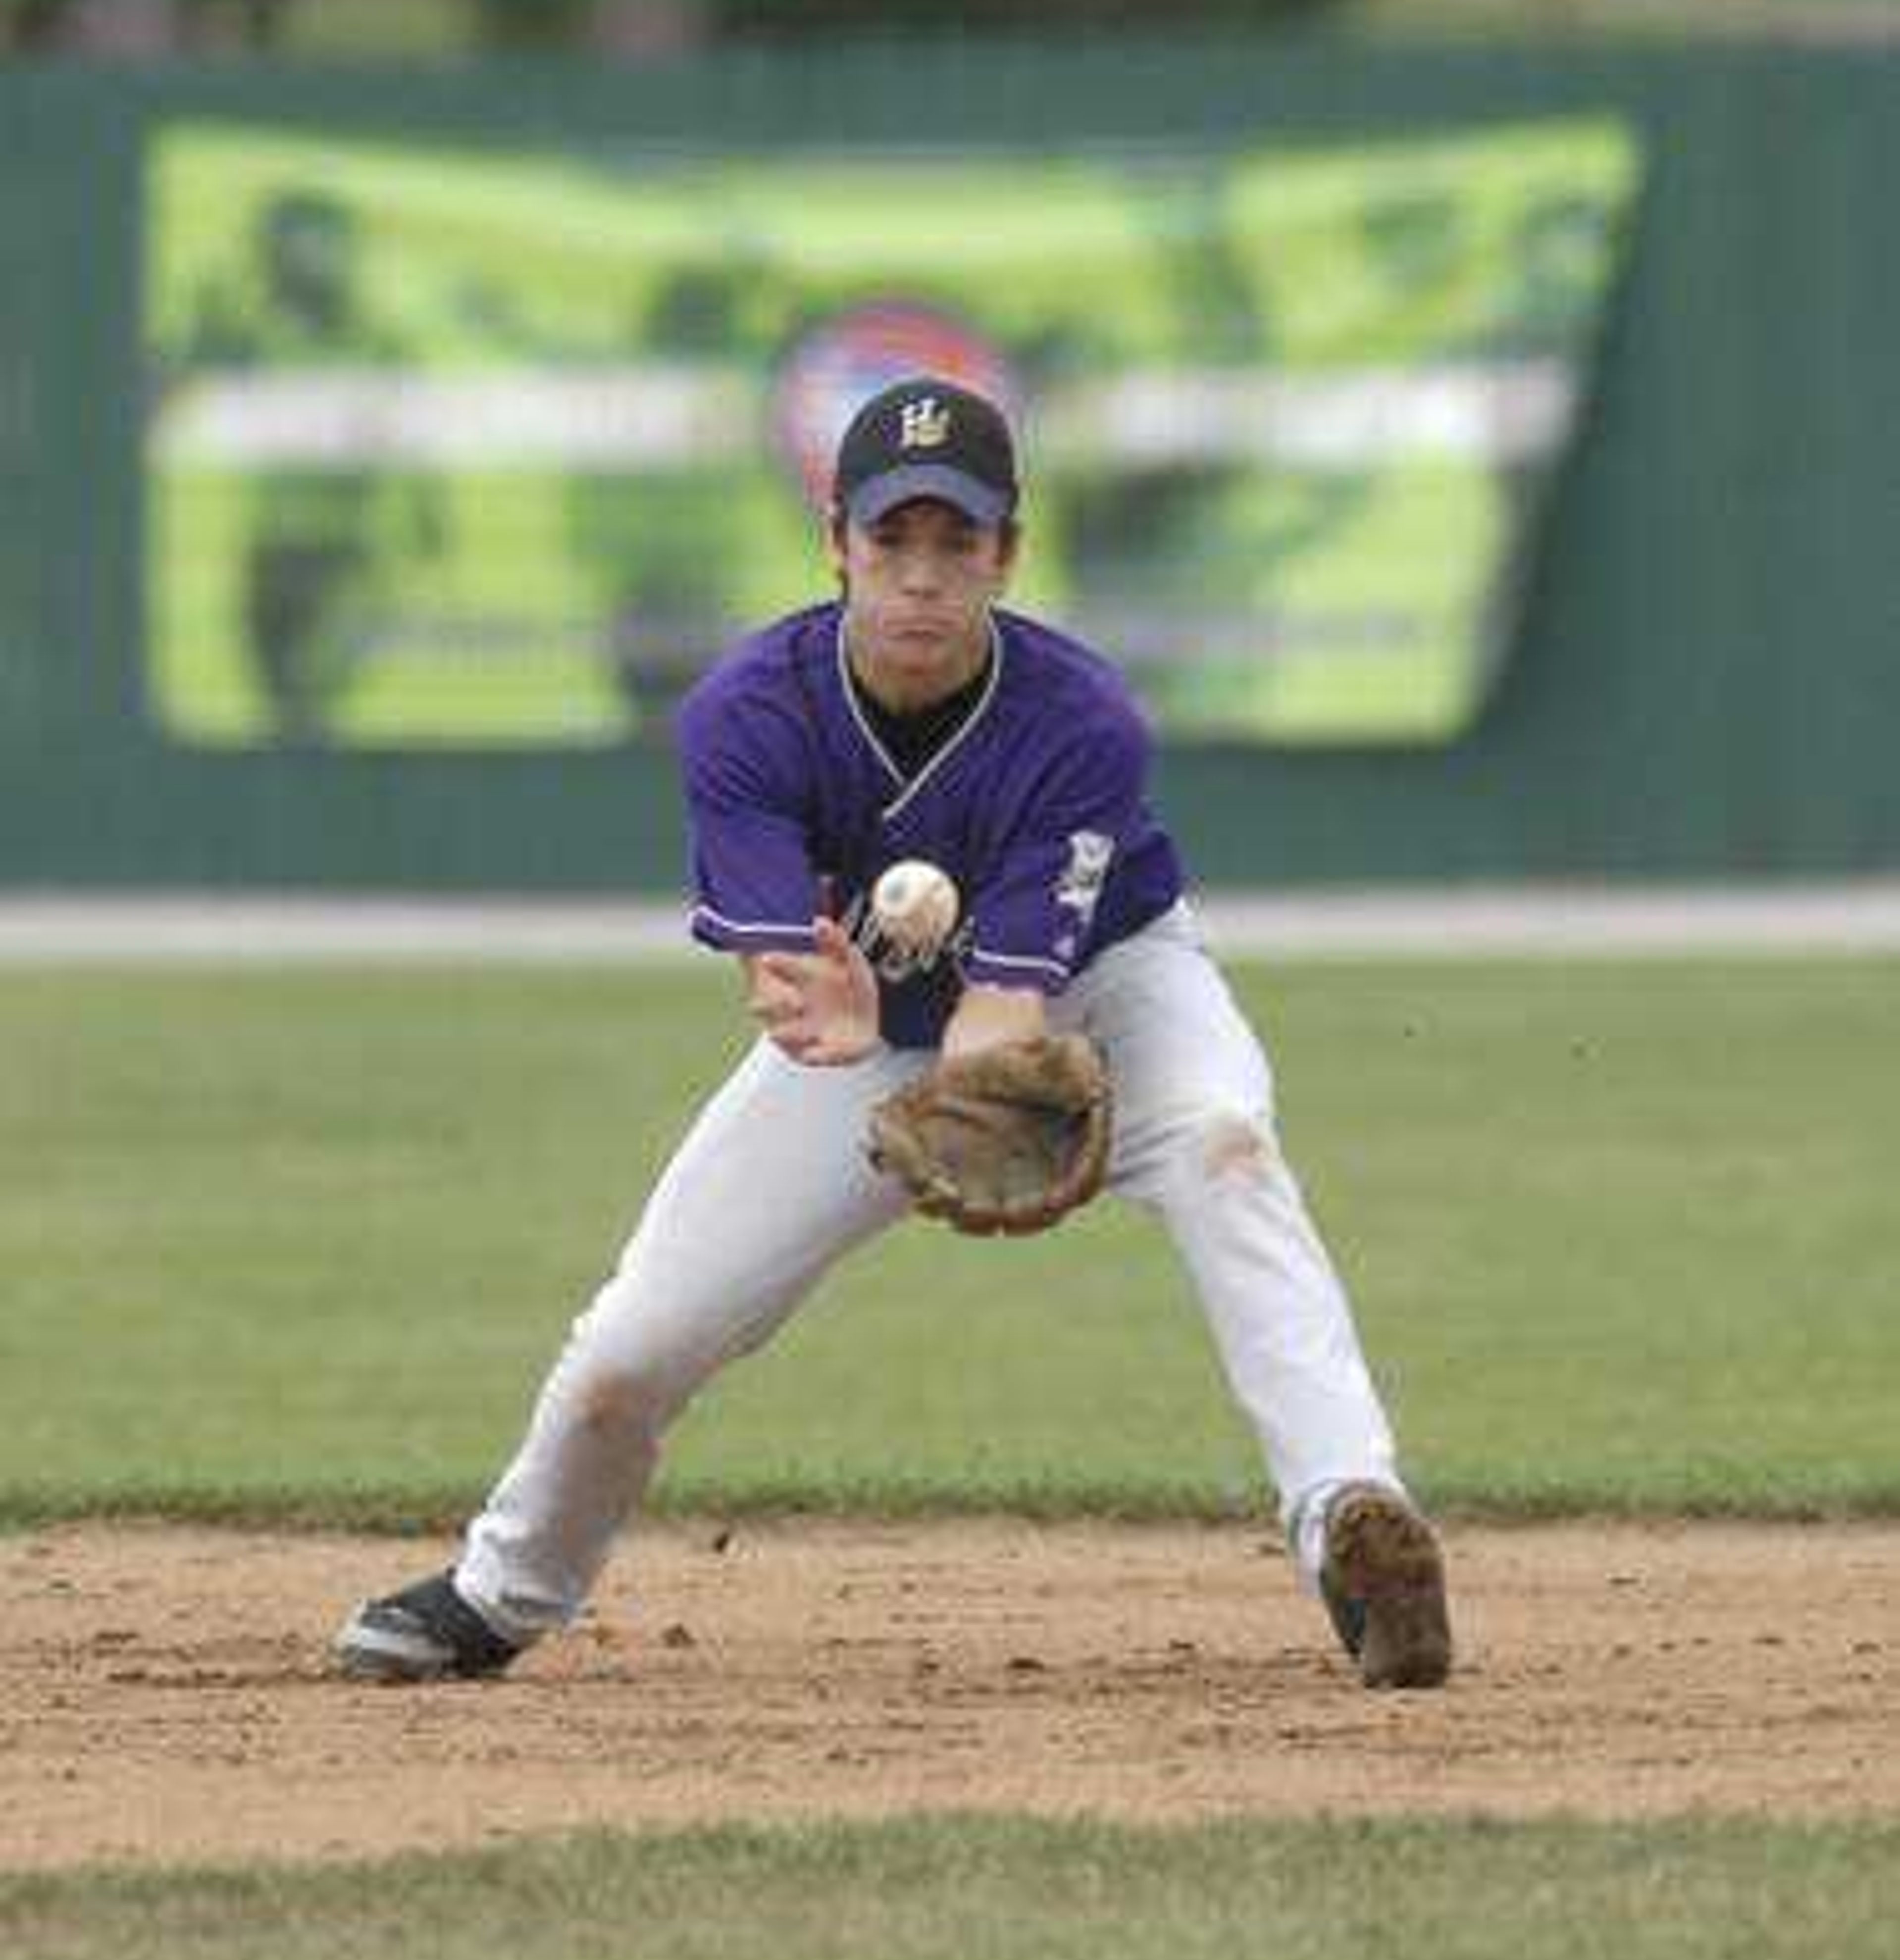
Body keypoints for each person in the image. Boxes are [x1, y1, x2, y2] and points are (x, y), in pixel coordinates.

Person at [335, 376, 1453, 1693]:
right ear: (836, 542)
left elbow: (1002, 1015)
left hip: (1114, 986)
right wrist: (832, 1009)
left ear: (1009, 554)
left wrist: (972, 1078)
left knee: (1225, 1148)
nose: (922, 576)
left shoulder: (1083, 722)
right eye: (892, 541)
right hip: (862, 1033)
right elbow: (785, 986)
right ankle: (498, 1591)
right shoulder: (746, 716)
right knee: (637, 1342)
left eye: (957, 544)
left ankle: (1356, 1527)